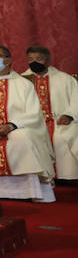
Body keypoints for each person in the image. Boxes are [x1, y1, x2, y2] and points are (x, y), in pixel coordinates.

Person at [0, 44, 55, 202]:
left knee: (23, 138)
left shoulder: (24, 84)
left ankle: (28, 191)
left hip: (17, 128)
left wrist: (11, 126)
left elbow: (34, 114)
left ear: (8, 60)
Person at [24, 45, 78, 181]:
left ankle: (66, 177)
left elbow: (76, 99)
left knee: (66, 136)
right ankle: (37, 178)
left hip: (58, 121)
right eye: (30, 59)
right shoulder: (23, 81)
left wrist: (69, 115)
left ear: (48, 61)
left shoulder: (65, 79)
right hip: (32, 123)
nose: (34, 62)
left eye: (38, 59)